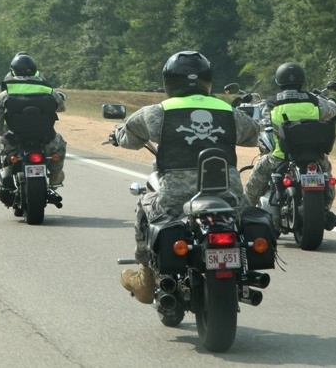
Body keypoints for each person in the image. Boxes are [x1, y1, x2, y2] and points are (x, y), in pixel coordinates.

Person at [109, 50, 259, 304]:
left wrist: (116, 135)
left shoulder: (157, 111)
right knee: (244, 224)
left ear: (169, 81)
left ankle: (146, 280)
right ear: (207, 80)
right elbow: (253, 135)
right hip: (228, 197)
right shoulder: (227, 111)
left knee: (145, 206)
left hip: (175, 199)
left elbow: (129, 138)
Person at [244, 62, 336, 211]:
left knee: (256, 178)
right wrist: (333, 102)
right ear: (302, 80)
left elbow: (262, 124)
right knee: (327, 176)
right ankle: (326, 207)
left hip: (281, 156)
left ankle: (245, 213)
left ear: (278, 80)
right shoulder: (314, 101)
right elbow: (332, 110)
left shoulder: (271, 104)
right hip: (315, 156)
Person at [0, 53, 67, 190]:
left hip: (13, 142)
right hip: (45, 140)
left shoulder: (5, 94)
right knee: (60, 143)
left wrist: (5, 134)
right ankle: (55, 177)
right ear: (35, 70)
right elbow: (61, 107)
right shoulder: (49, 90)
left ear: (13, 72)